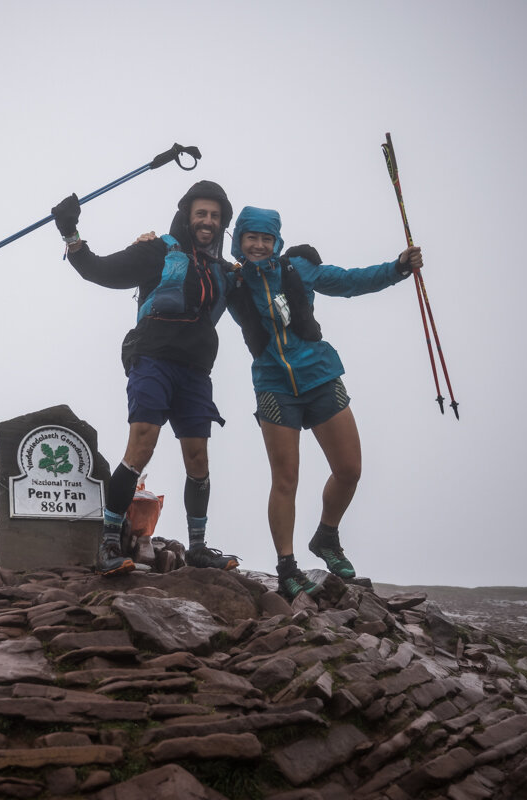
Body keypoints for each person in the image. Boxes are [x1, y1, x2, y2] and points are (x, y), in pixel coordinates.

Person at [226, 206, 422, 599]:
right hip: (273, 386)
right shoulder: (228, 281)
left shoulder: (299, 269)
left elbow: (351, 281)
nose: (260, 245)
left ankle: (326, 537)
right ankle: (287, 568)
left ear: (277, 241)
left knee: (349, 470)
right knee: (285, 480)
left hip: (319, 375)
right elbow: (186, 277)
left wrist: (398, 268)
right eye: (252, 238)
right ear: (239, 241)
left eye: (267, 239)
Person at [50, 182, 241, 576]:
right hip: (152, 357)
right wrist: (70, 232)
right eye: (201, 213)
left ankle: (199, 548)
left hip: (195, 372)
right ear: (188, 215)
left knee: (198, 459)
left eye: (215, 216)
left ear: (222, 224)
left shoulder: (224, 271)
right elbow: (99, 270)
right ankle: (108, 543)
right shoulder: (157, 250)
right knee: (142, 444)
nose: (207, 221)